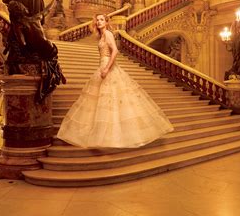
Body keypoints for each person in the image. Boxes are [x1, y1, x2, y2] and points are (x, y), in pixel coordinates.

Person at [57, 14, 174, 148]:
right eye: (98, 20)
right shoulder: (101, 36)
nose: (99, 22)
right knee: (99, 103)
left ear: (106, 22)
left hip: (108, 67)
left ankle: (114, 137)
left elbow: (115, 51)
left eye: (102, 20)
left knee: (112, 100)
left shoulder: (107, 33)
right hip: (101, 66)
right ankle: (101, 136)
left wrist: (107, 68)